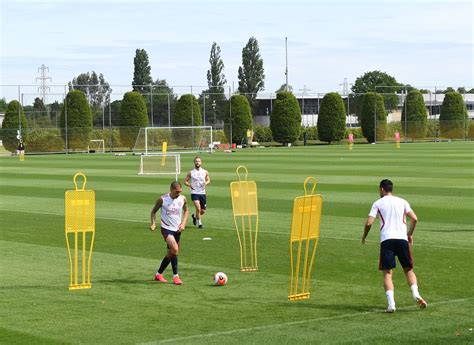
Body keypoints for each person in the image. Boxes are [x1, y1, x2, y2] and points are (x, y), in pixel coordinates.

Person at [361, 179, 427, 313]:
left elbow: (369, 223)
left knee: (387, 274)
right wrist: (409, 234)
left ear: (381, 189)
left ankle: (391, 304)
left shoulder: (378, 203)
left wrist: (364, 236)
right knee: (408, 269)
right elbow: (414, 219)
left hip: (387, 240)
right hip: (402, 239)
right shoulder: (402, 201)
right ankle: (415, 293)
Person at [150, 181, 188, 285]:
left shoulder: (183, 199)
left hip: (177, 230)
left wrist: (183, 223)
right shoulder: (162, 199)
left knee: (171, 253)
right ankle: (176, 276)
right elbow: (153, 211)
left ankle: (158, 274)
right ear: (171, 189)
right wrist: (153, 223)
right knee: (175, 250)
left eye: (180, 192)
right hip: (166, 229)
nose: (178, 194)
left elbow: (186, 210)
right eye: (176, 192)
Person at [184, 156, 210, 229]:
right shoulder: (191, 172)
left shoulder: (205, 172)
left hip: (202, 193)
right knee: (198, 208)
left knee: (202, 211)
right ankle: (199, 224)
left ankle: (195, 216)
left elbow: (208, 180)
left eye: (199, 161)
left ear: (201, 162)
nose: (197, 162)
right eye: (196, 161)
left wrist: (206, 183)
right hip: (194, 192)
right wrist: (189, 185)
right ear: (194, 163)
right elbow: (185, 181)